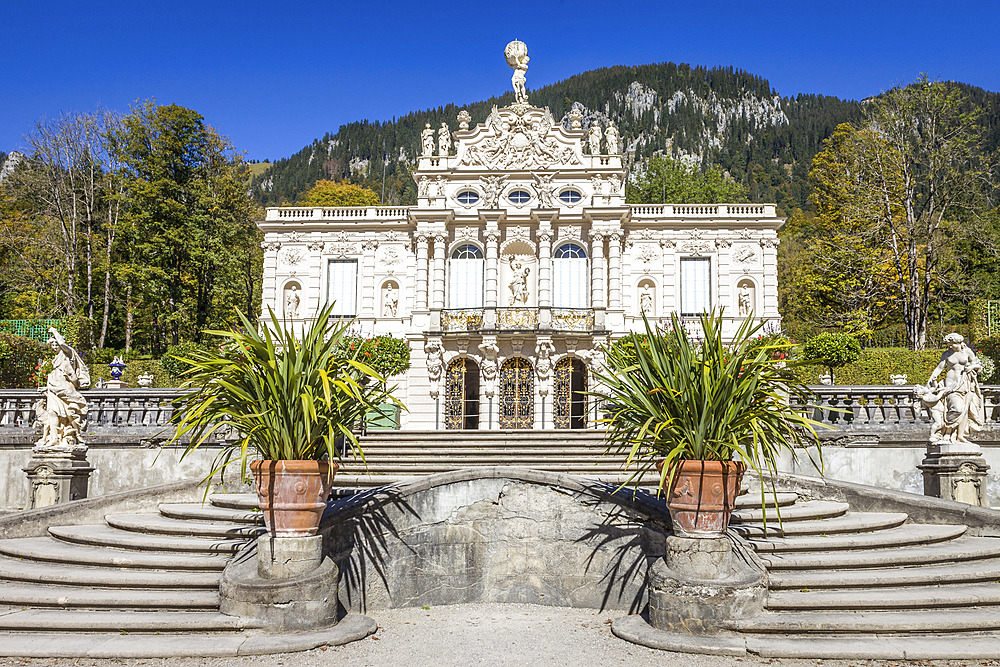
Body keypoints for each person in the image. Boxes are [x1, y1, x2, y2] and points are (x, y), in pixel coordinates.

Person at [917, 333, 984, 444]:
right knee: (957, 408)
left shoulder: (967, 352)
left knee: (965, 411)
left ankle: (960, 436)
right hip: (951, 384)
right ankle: (947, 432)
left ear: (958, 343)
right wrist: (931, 380)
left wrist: (971, 367)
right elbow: (939, 368)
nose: (950, 346)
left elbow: (978, 365)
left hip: (965, 384)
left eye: (951, 344)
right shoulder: (947, 354)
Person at [35, 328, 90, 453]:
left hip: (65, 390)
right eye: (52, 344)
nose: (55, 346)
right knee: (52, 412)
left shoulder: (69, 354)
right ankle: (54, 437)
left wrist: (55, 332)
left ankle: (75, 435)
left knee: (68, 415)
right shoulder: (55, 359)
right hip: (53, 389)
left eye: (56, 344)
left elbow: (73, 377)